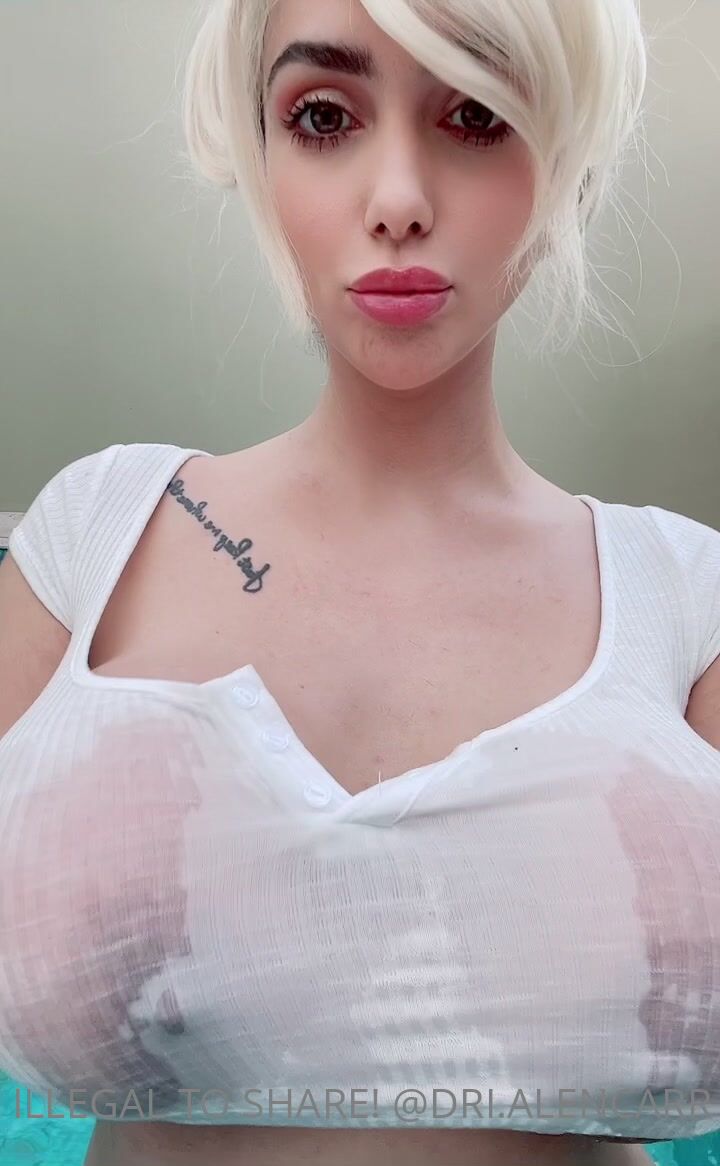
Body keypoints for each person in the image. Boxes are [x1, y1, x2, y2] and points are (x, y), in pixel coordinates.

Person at [1, 0, 719, 1164]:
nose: (397, 199)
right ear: (262, 150)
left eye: (477, 115)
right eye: (325, 117)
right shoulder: (97, 531)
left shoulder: (690, 598)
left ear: (566, 161)